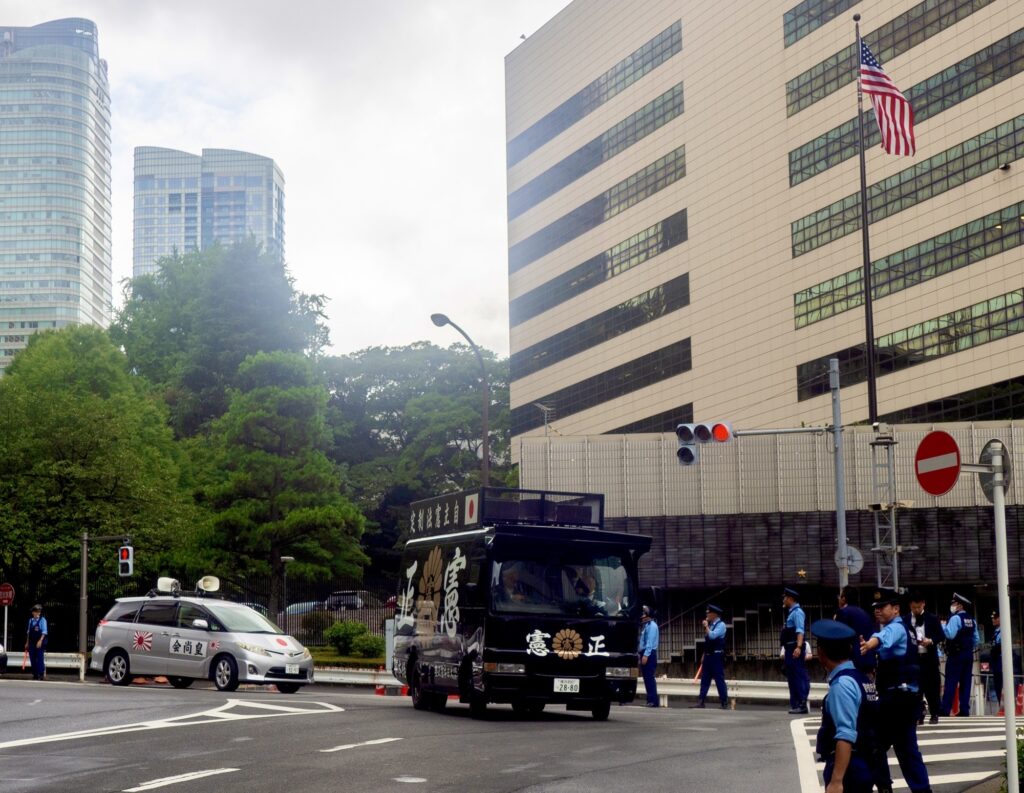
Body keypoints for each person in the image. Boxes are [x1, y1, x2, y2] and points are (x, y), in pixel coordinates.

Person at [860, 589, 932, 793]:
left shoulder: (897, 628)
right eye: (875, 608)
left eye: (882, 607)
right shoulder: (906, 629)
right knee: (907, 751)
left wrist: (868, 644)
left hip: (897, 702)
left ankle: (884, 787)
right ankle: (922, 790)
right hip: (905, 701)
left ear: (896, 609)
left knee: (873, 745)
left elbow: (882, 638)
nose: (877, 611)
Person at [811, 619, 878, 793]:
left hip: (850, 768)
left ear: (821, 653)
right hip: (864, 762)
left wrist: (836, 781)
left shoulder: (842, 685)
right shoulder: (862, 678)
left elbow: (845, 734)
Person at [904, 591, 943, 724]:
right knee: (916, 688)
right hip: (914, 659)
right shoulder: (905, 620)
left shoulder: (932, 618)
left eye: (918, 607)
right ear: (910, 606)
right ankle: (918, 714)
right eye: (914, 607)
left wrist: (931, 641)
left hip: (929, 658)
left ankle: (934, 714)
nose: (916, 610)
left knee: (932, 687)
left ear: (923, 604)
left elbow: (941, 635)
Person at [940, 592, 979, 717]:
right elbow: (976, 639)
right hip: (968, 655)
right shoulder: (972, 620)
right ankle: (964, 710)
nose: (952, 606)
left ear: (960, 606)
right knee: (965, 682)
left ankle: (945, 709)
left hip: (956, 655)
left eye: (954, 604)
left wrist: (943, 626)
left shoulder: (955, 618)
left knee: (951, 682)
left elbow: (950, 635)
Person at [692, 604, 729, 709]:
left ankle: (724, 702)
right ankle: (701, 701)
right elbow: (708, 642)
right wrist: (704, 654)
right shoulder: (712, 625)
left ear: (714, 614)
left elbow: (712, 636)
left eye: (708, 612)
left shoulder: (721, 625)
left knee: (719, 679)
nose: (707, 614)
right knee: (705, 679)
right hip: (708, 656)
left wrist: (706, 626)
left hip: (717, 656)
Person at [835, 586, 877, 677]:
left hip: (851, 662)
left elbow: (839, 639)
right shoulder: (865, 613)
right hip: (868, 660)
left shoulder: (843, 612)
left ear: (843, 599)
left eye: (840, 596)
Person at [781, 587, 810, 714]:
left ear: (791, 599)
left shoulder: (797, 612)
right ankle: (796, 703)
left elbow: (800, 630)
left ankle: (802, 704)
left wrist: (798, 647)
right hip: (789, 647)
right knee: (792, 676)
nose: (784, 599)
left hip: (794, 647)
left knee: (798, 675)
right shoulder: (792, 612)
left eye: (785, 597)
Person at [638, 605, 660, 707]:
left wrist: (645, 655)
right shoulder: (647, 625)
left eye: (644, 614)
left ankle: (653, 701)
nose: (642, 616)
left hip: (649, 654)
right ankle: (650, 700)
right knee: (647, 678)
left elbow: (650, 643)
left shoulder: (652, 626)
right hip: (646, 653)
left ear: (648, 615)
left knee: (649, 678)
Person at [25, 603, 48, 681]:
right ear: (33, 613)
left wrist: (40, 641)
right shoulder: (30, 620)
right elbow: (28, 632)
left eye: (39, 612)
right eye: (37, 612)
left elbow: (44, 632)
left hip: (40, 641)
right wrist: (27, 642)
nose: (38, 613)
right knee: (32, 657)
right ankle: (35, 674)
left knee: (39, 657)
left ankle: (41, 674)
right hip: (32, 641)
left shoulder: (42, 620)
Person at [990, 611, 1003, 713]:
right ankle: (1001, 705)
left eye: (995, 618)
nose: (993, 620)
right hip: (996, 661)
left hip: (1001, 660)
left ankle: (1004, 705)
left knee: (1002, 683)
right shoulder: (995, 631)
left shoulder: (1003, 631)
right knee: (997, 684)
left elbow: (999, 647)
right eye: (993, 618)